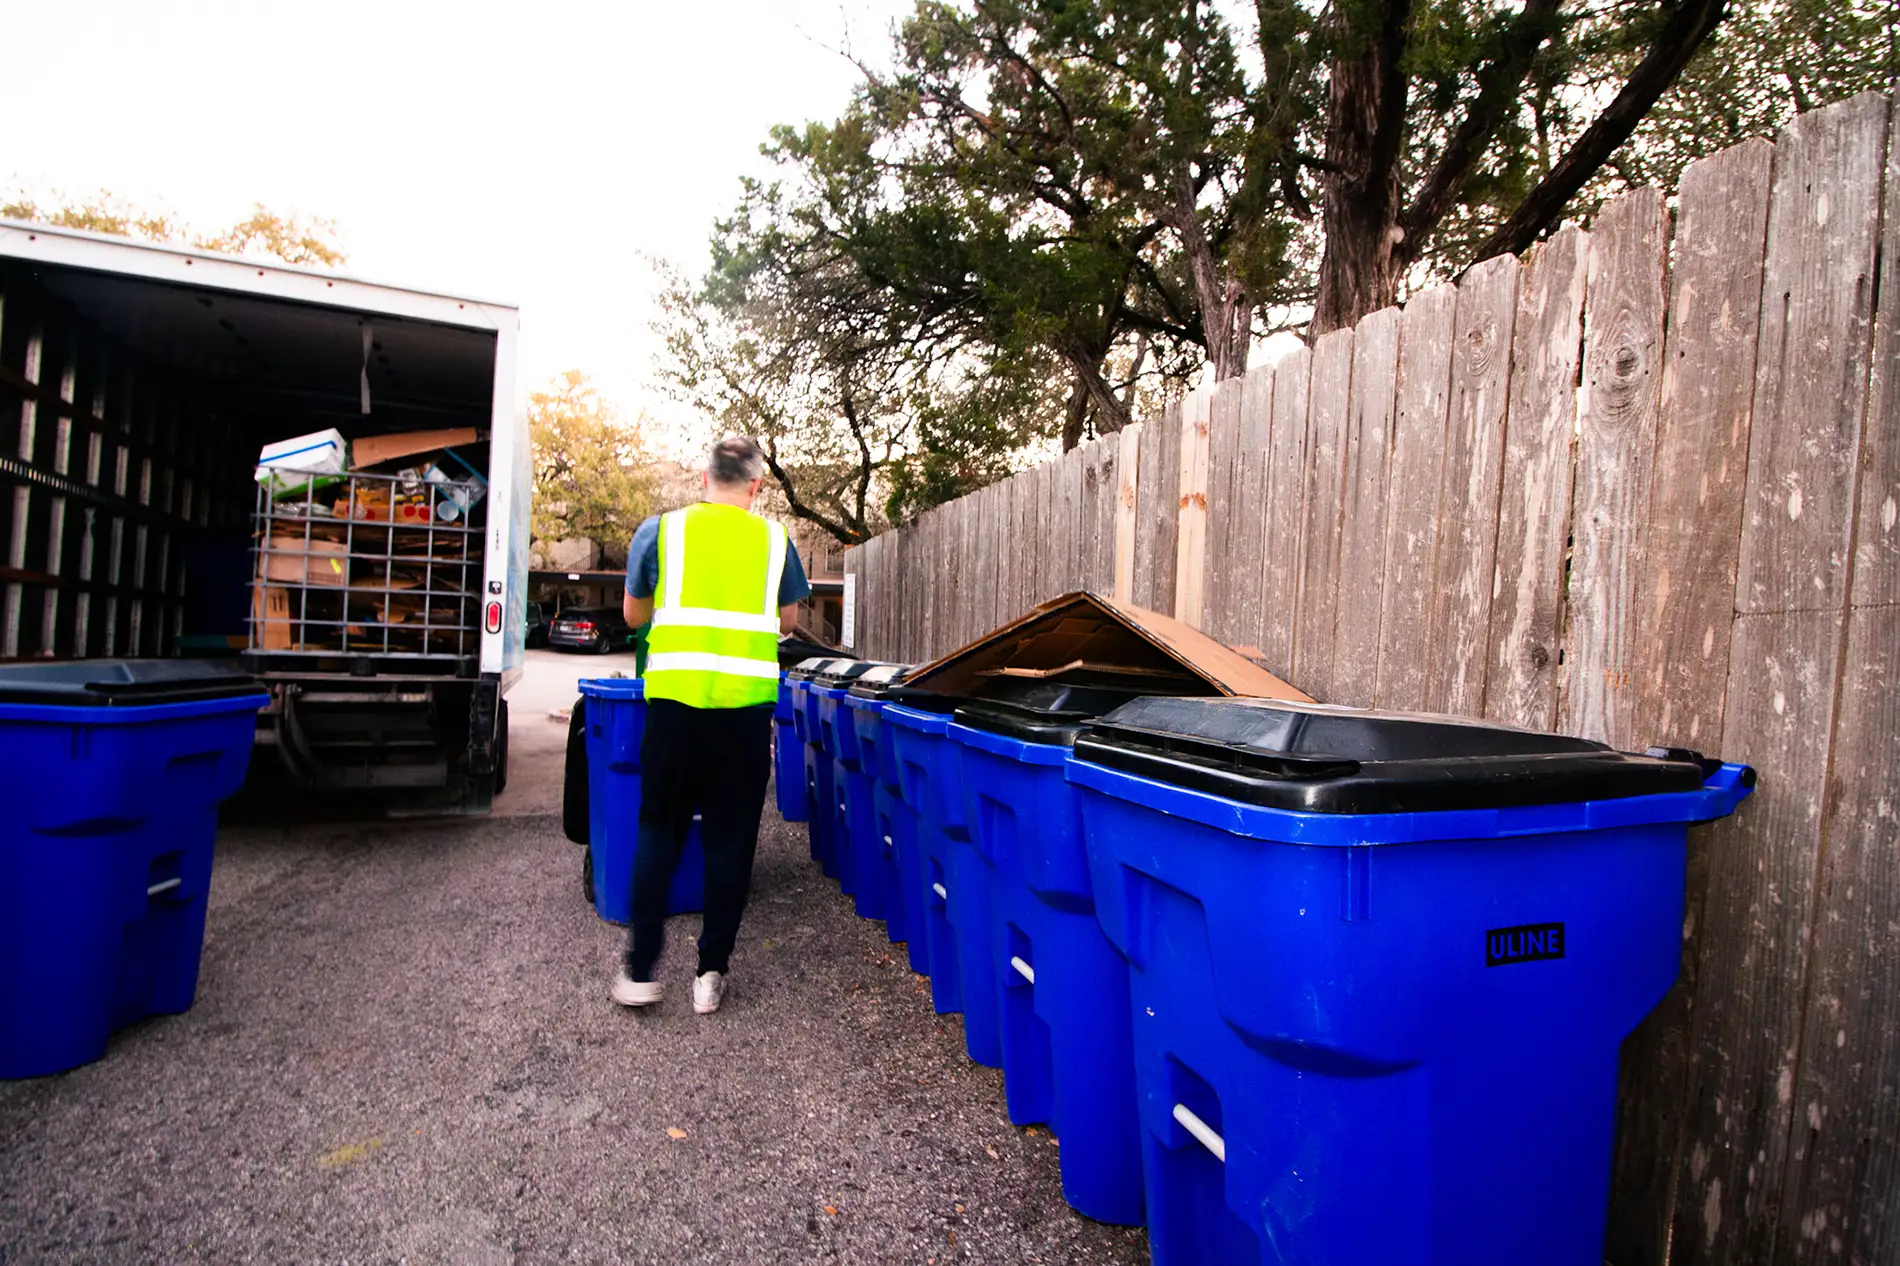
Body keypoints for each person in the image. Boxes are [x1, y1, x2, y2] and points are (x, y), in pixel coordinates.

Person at [612, 436, 810, 1014]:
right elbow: (789, 621)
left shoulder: (661, 531)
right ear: (756, 486)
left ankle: (641, 971)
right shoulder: (776, 541)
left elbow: (632, 613)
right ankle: (709, 974)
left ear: (706, 477)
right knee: (730, 842)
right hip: (744, 716)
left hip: (674, 709)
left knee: (658, 835)